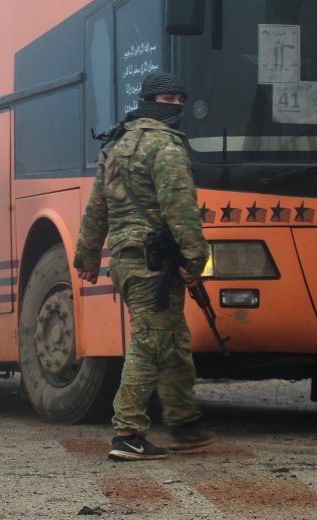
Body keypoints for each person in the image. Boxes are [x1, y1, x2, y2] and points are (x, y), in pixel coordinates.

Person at [74, 72, 216, 461]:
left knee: (171, 339)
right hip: (153, 262)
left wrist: (86, 257)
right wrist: (196, 260)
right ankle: (128, 433)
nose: (175, 106)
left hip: (127, 259)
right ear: (150, 100)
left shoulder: (116, 145)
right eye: (167, 98)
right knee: (151, 342)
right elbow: (181, 209)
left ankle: (184, 423)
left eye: (179, 99)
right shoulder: (166, 148)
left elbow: (96, 208)